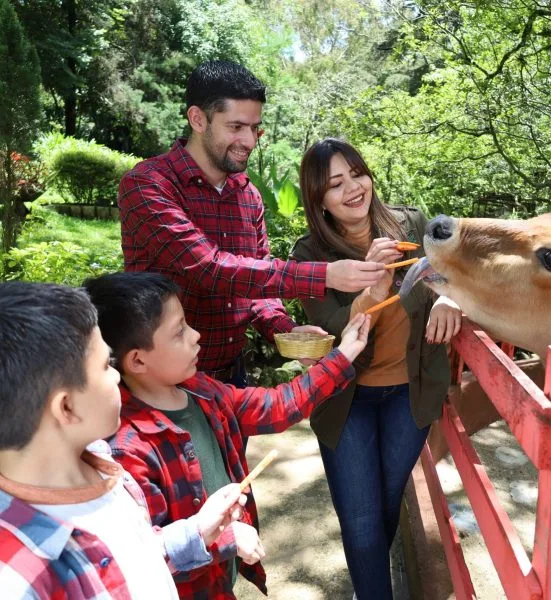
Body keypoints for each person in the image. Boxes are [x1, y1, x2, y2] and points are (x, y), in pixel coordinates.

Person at [83, 271, 371, 599]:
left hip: (220, 578)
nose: (195, 336)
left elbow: (275, 406)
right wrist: (225, 538)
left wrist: (343, 355)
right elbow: (145, 555)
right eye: (179, 332)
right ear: (137, 360)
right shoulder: (127, 451)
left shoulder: (199, 390)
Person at [117, 60, 385, 386]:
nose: (249, 141)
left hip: (232, 379)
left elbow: (255, 289)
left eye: (255, 128)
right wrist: (326, 274)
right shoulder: (148, 184)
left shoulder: (248, 196)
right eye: (236, 127)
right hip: (160, 384)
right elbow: (209, 268)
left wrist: (286, 331)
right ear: (198, 119)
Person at [290, 138, 462, 599]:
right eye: (335, 184)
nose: (352, 188)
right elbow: (329, 331)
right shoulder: (309, 256)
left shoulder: (412, 224)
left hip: (410, 395)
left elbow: (452, 269)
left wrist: (449, 297)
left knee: (385, 505)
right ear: (318, 200)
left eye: (357, 174)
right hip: (347, 400)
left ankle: (369, 587)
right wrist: (371, 288)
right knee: (361, 520)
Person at [0, 281, 249, 599]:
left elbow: (132, 557)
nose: (118, 376)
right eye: (107, 365)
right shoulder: (18, 581)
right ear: (67, 407)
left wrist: (197, 530)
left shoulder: (103, 464)